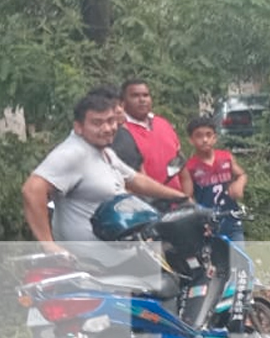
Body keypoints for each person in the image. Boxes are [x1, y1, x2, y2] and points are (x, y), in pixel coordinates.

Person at [22, 88, 190, 258]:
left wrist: (179, 197)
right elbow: (32, 190)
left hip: (116, 258)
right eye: (97, 123)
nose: (107, 128)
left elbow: (135, 180)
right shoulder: (73, 153)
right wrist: (49, 245)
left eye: (110, 121)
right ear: (79, 127)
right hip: (91, 263)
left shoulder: (103, 152)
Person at [184, 115, 249, 241]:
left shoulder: (226, 157)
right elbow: (187, 198)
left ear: (215, 138)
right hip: (208, 224)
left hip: (231, 220)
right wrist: (199, 219)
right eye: (199, 136)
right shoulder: (189, 167)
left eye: (209, 135)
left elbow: (242, 174)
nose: (204, 139)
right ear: (191, 140)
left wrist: (239, 183)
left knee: (238, 258)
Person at [118, 77, 183, 189]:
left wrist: (187, 196)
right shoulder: (120, 130)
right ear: (123, 102)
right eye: (135, 96)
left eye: (145, 95)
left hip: (176, 199)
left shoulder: (163, 123)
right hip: (144, 201)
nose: (142, 99)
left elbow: (180, 161)